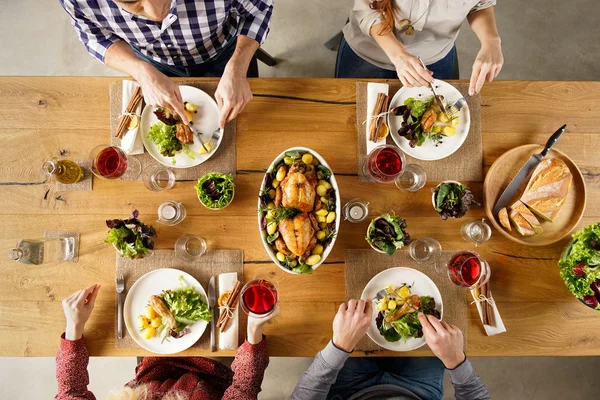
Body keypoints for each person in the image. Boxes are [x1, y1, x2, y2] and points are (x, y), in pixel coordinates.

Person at [59, 0, 274, 128]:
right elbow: (95, 38)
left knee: (247, 122)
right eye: (132, 2)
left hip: (225, 53)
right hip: (152, 63)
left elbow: (260, 8)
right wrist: (140, 71)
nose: (156, 13)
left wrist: (238, 66)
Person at [56, 284, 278, 399]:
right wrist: (253, 331)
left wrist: (74, 325)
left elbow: (70, 391)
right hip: (212, 369)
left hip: (153, 367)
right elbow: (243, 387)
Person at [291, 299, 490, 400]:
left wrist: (340, 346)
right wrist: (456, 361)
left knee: (352, 306)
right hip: (419, 390)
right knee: (441, 320)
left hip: (347, 391)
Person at [337, 0, 503, 96]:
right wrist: (399, 56)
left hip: (436, 54)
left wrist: (491, 41)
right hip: (370, 50)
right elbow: (368, 9)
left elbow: (480, 5)